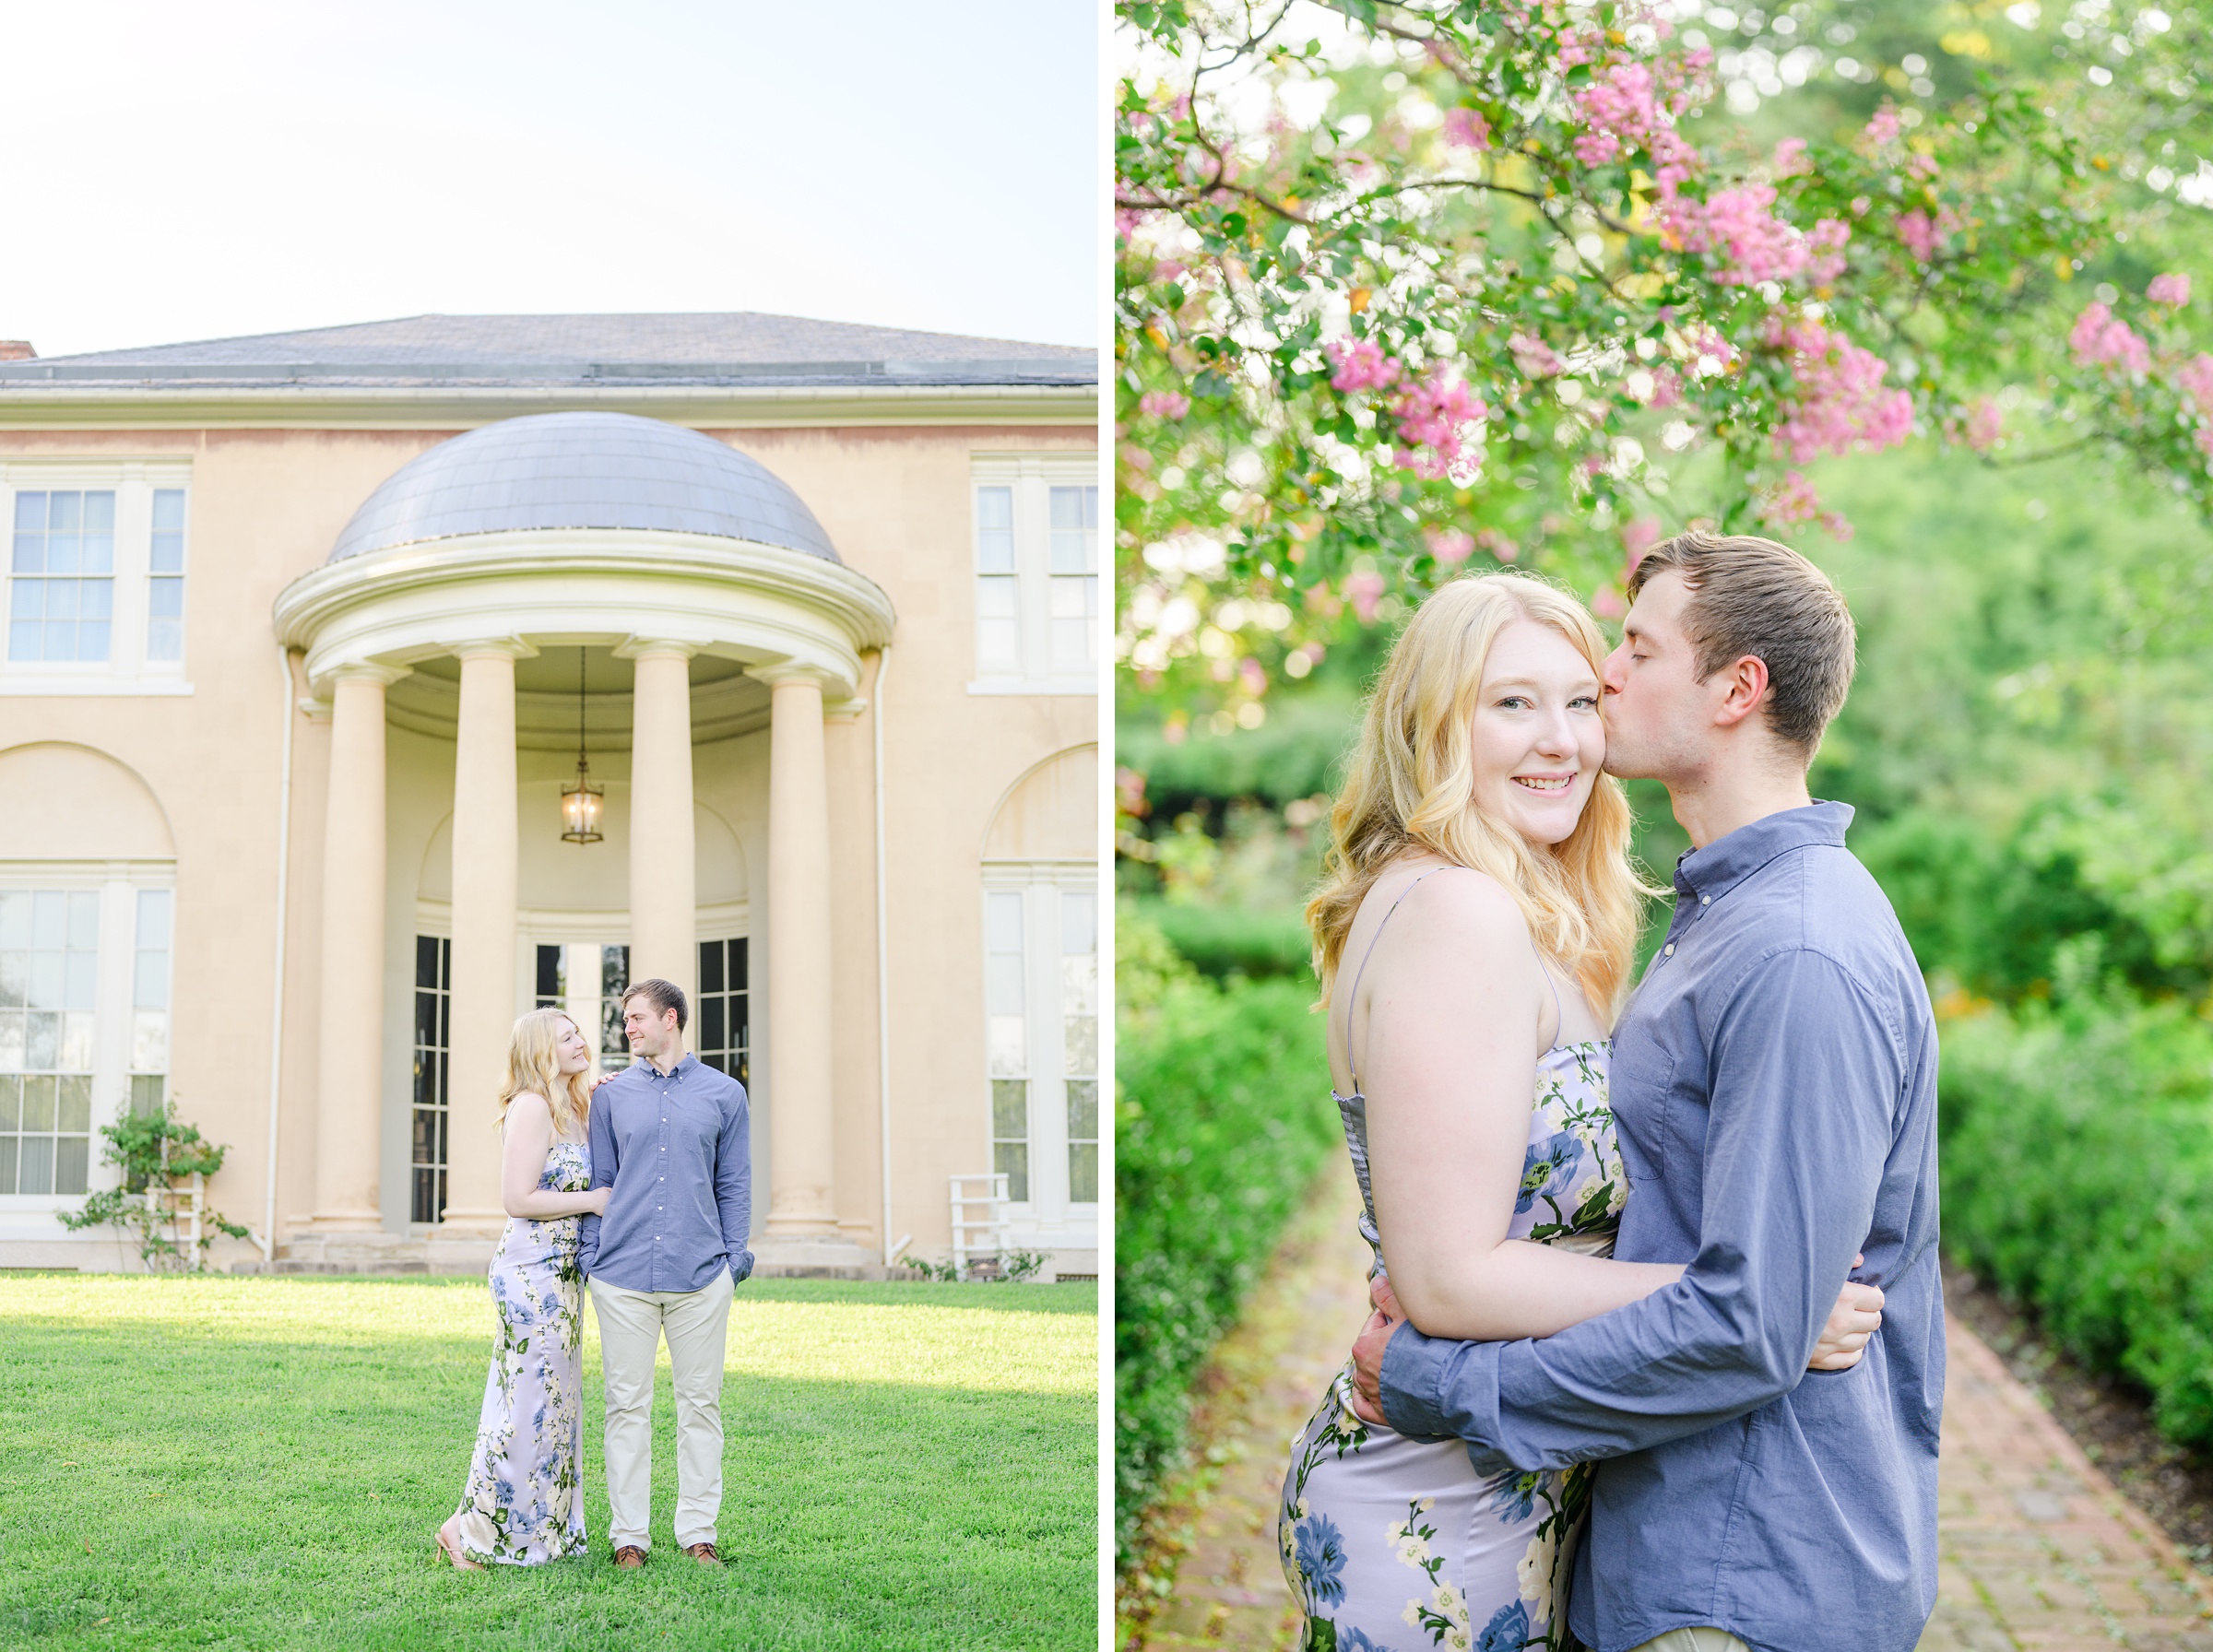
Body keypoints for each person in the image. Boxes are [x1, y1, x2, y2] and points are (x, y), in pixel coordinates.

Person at [1346, 535, 1944, 1652]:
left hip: (1739, 1576)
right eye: (1519, 697)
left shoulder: (1798, 950)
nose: (1607, 677)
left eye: (1632, 647)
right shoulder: (1715, 918)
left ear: (1737, 688)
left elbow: (1748, 1325)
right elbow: (1749, 1299)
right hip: (1650, 1547)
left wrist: (1444, 1382)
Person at [578, 976, 753, 1570]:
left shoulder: (725, 1094)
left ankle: (697, 1531)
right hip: (620, 1274)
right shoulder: (610, 1097)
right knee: (626, 1406)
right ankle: (630, 1536)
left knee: (700, 1406)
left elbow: (733, 1182)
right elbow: (600, 1181)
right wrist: (590, 1256)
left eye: (637, 1018)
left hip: (702, 1276)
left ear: (672, 1018)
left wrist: (735, 1261)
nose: (627, 1028)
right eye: (625, 1019)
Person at [435, 1008, 609, 1569]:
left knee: (554, 1405)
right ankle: (466, 1530)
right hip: (530, 1274)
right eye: (568, 1037)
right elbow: (518, 1199)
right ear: (541, 1051)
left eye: (579, 1032)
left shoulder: (573, 1107)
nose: (581, 1041)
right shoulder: (532, 1107)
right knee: (525, 1405)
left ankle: (542, 1533)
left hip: (562, 1276)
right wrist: (591, 1201)